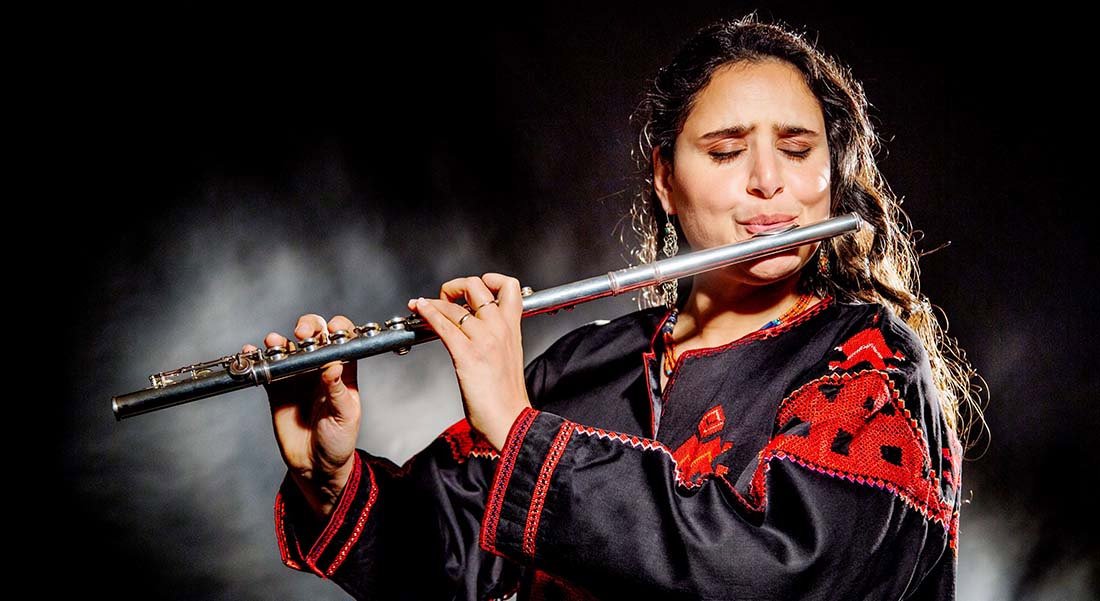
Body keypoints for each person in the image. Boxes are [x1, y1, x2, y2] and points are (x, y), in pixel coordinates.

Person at [246, 13, 979, 600]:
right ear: (666, 177)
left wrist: (519, 429)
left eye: (797, 149)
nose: (768, 183)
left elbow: (780, 572)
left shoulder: (868, 360)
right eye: (726, 151)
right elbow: (451, 558)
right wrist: (330, 476)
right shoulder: (587, 363)